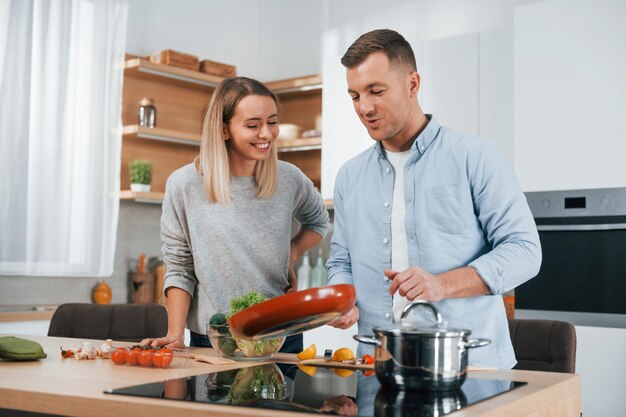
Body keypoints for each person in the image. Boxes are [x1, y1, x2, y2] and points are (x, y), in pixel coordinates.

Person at [326, 29, 541, 368]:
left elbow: (525, 251)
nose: (364, 107)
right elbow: (341, 262)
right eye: (354, 96)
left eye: (376, 91)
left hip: (471, 368)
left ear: (413, 84)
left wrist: (442, 284)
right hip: (377, 365)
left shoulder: (476, 157)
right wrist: (340, 299)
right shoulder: (349, 176)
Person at [142, 77, 329, 353]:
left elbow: (318, 221)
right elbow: (180, 267)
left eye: (272, 121)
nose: (267, 134)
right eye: (253, 125)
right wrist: (175, 335)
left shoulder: (289, 178)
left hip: (281, 334)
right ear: (224, 130)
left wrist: (289, 253)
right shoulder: (185, 184)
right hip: (216, 337)